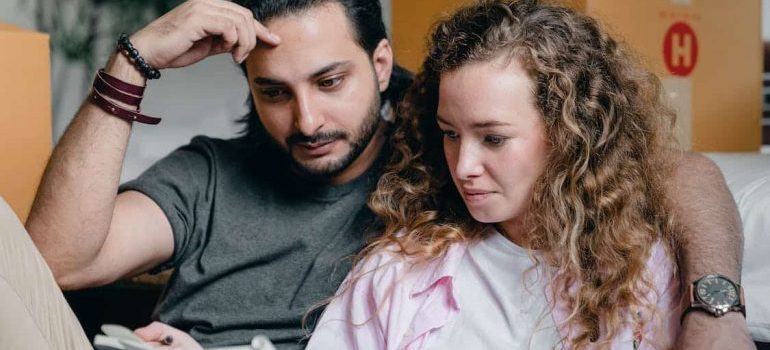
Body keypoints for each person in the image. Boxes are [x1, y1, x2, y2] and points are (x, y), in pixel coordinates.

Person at [0, 0, 748, 348]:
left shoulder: (442, 142)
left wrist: (716, 311)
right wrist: (134, 62)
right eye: (273, 92)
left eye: (330, 81)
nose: (307, 120)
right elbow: (55, 263)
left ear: (381, 65)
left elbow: (672, 170)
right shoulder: (212, 175)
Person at [305, 1, 749, 349]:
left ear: (570, 133)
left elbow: (692, 171)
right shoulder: (397, 273)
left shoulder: (648, 268)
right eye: (450, 134)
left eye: (493, 138)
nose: (463, 167)